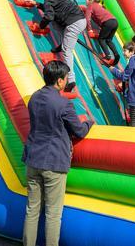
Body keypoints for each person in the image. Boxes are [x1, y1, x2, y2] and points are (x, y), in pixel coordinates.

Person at [22, 60, 93, 246]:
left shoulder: (34, 98)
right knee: (53, 213)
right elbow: (79, 131)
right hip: (53, 161)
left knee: (32, 209)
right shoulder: (63, 104)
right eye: (66, 78)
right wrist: (89, 122)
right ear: (60, 81)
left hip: (32, 158)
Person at [33, 0, 87, 92]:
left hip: (73, 23)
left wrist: (41, 26)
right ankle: (62, 43)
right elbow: (54, 10)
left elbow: (48, 16)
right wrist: (39, 5)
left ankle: (71, 80)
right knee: (56, 23)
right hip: (80, 20)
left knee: (67, 51)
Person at [85, 0, 119, 65]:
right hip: (115, 22)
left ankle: (107, 56)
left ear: (91, 0)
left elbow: (87, 18)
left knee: (101, 39)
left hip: (108, 22)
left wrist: (89, 29)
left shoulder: (90, 5)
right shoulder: (99, 6)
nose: (86, 0)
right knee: (108, 40)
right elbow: (99, 19)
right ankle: (116, 54)